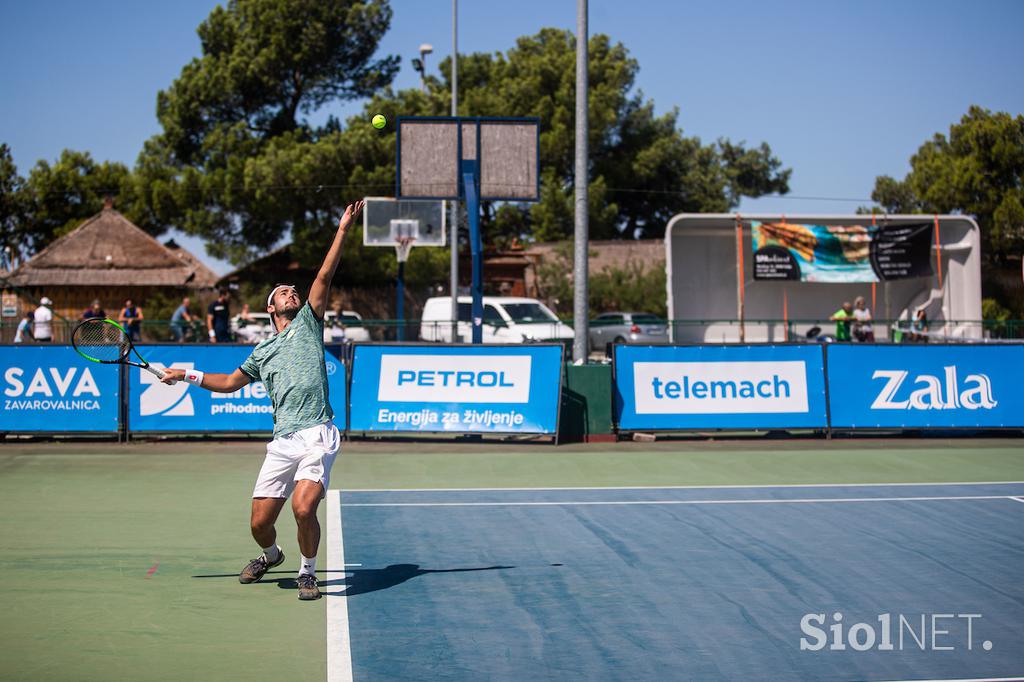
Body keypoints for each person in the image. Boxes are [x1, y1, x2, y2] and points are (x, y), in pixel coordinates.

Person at [160, 200, 364, 601]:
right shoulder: (262, 351)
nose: (292, 293)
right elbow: (230, 382)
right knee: (258, 523)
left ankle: (308, 572)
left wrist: (342, 229)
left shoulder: (308, 322)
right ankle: (272, 555)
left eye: (293, 291)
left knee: (304, 509)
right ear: (270, 308)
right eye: (284, 292)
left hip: (317, 433)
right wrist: (185, 374)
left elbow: (325, 274)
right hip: (282, 440)